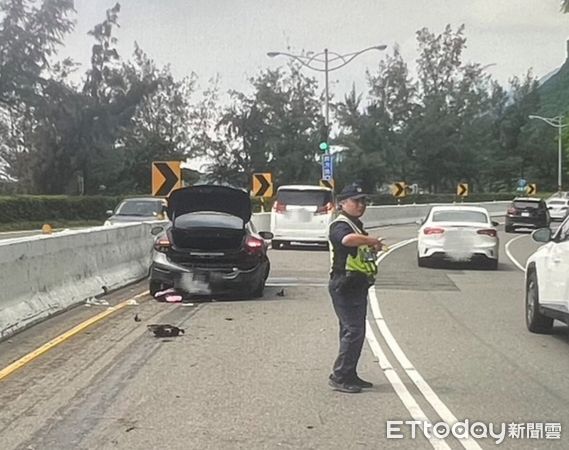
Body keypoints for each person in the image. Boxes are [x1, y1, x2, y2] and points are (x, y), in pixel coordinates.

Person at [328, 183, 384, 393]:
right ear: (342, 203)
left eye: (364, 201)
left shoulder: (355, 224)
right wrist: (370, 240)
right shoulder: (341, 225)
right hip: (345, 284)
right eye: (356, 201)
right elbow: (346, 240)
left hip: (356, 284)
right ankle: (340, 376)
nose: (361, 205)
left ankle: (350, 373)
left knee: (353, 331)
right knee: (354, 331)